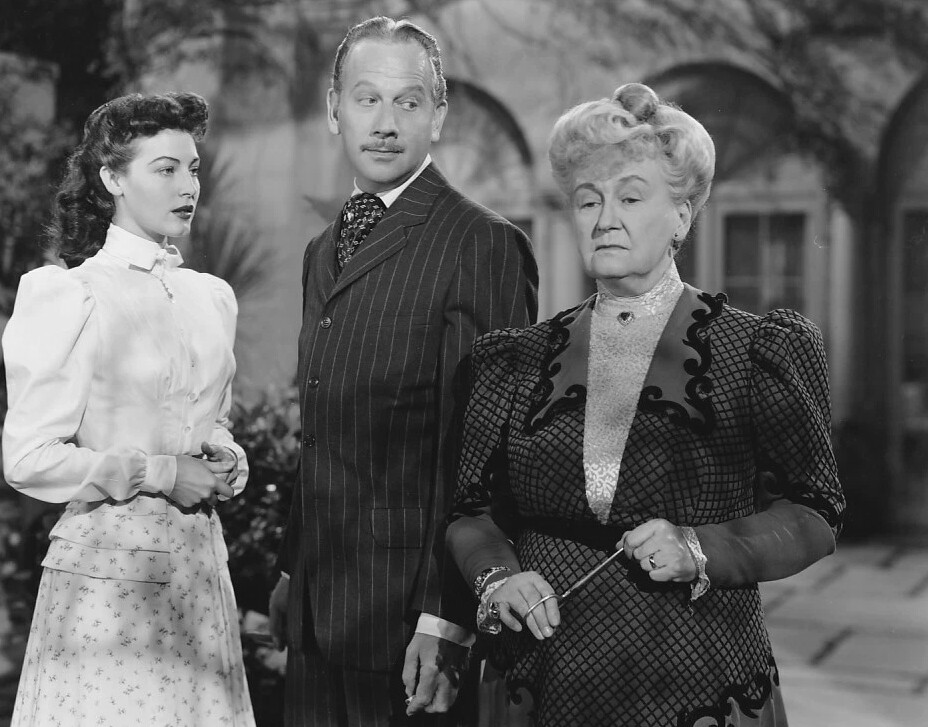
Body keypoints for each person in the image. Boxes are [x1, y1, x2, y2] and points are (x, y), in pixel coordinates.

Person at [445, 82, 846, 726]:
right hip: (542, 682)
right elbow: (472, 515)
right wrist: (497, 578)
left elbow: (815, 513)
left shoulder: (757, 351)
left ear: (682, 216)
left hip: (698, 681)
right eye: (588, 200)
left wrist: (702, 548)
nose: (605, 218)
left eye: (630, 197)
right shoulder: (514, 359)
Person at [266, 15, 538, 727]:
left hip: (407, 623)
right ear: (335, 109)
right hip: (317, 608)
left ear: (438, 116)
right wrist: (294, 567)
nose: (385, 124)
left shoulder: (481, 243)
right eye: (367, 99)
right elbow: (323, 425)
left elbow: (485, 451)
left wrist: (448, 619)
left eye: (408, 102)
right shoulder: (322, 251)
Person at [2, 92, 255, 726]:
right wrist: (161, 472)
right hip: (106, 584)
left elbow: (213, 421)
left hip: (199, 571)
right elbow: (28, 458)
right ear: (112, 178)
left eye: (192, 168)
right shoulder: (73, 294)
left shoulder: (211, 299)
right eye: (164, 169)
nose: (187, 186)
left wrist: (225, 456)